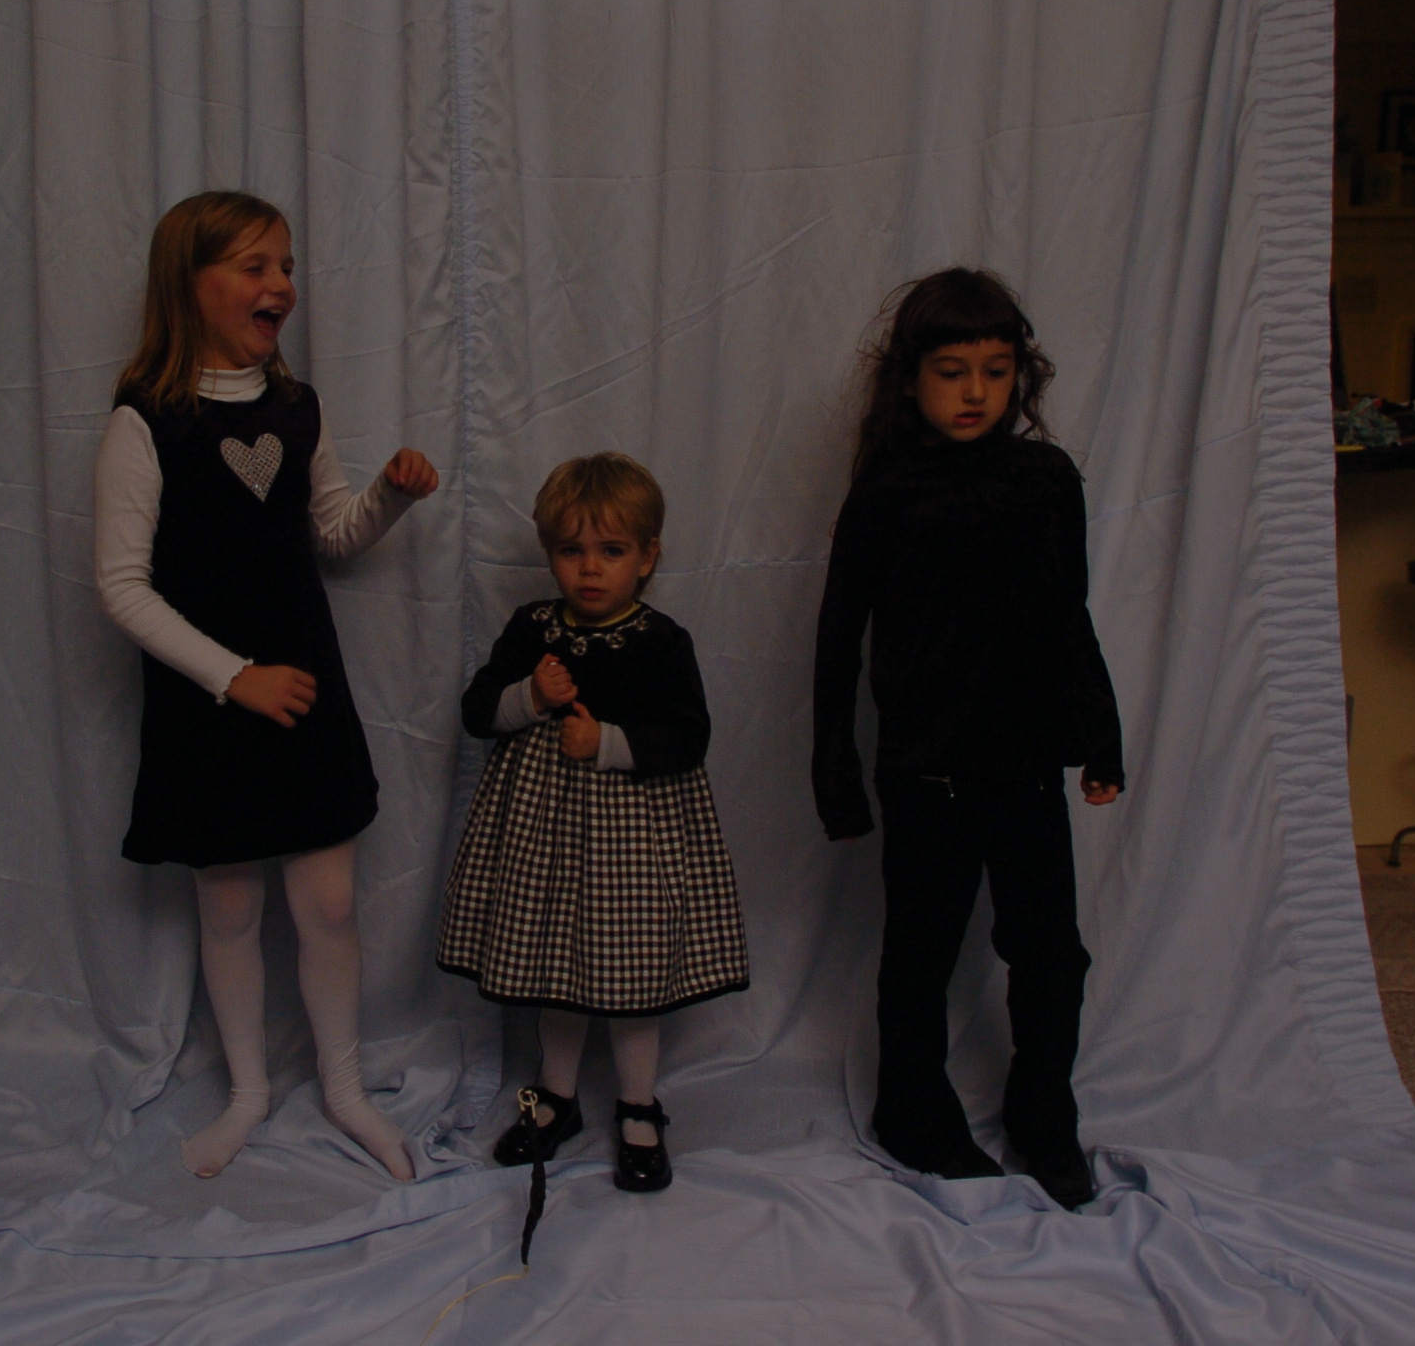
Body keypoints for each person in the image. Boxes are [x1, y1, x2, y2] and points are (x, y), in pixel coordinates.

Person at [95, 190, 437, 1182]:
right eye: (254, 266)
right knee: (231, 907)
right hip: (210, 705)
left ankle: (344, 1086)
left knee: (328, 904)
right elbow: (120, 586)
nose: (280, 284)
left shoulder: (296, 409)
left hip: (304, 694)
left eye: (284, 265)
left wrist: (390, 499)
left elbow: (331, 535)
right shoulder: (146, 421)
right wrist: (231, 677)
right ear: (189, 283)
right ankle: (247, 1090)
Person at [810, 267, 1125, 1212]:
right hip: (927, 777)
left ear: (1020, 373)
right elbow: (838, 638)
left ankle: (1044, 1113)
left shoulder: (1047, 481)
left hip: (1026, 771)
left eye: (995, 370)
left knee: (1052, 956)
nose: (976, 392)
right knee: (921, 955)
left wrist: (1101, 737)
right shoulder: (886, 493)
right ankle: (913, 1110)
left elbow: (1069, 617)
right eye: (953, 372)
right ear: (911, 378)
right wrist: (836, 773)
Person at [438, 454, 749, 1193]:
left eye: (611, 550)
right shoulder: (532, 627)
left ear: (647, 556)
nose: (589, 568)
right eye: (571, 550)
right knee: (557, 971)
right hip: (543, 838)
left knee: (633, 975)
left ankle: (639, 1106)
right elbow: (478, 711)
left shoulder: (661, 640)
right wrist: (531, 696)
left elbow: (689, 736)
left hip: (634, 840)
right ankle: (556, 1097)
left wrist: (605, 742)